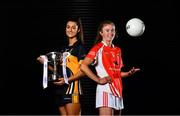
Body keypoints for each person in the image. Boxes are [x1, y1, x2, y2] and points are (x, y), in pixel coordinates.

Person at [80, 20, 140, 115]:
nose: (110, 33)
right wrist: (98, 80)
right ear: (101, 33)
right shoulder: (98, 48)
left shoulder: (118, 50)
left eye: (112, 30)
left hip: (118, 90)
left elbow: (117, 73)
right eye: (107, 30)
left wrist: (128, 73)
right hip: (105, 90)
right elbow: (83, 66)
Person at [37, 17, 89, 115]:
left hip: (73, 90)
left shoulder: (80, 48)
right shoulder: (63, 49)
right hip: (60, 91)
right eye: (68, 27)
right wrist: (46, 64)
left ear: (78, 30)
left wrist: (67, 80)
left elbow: (83, 71)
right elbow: (58, 73)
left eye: (73, 28)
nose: (70, 30)